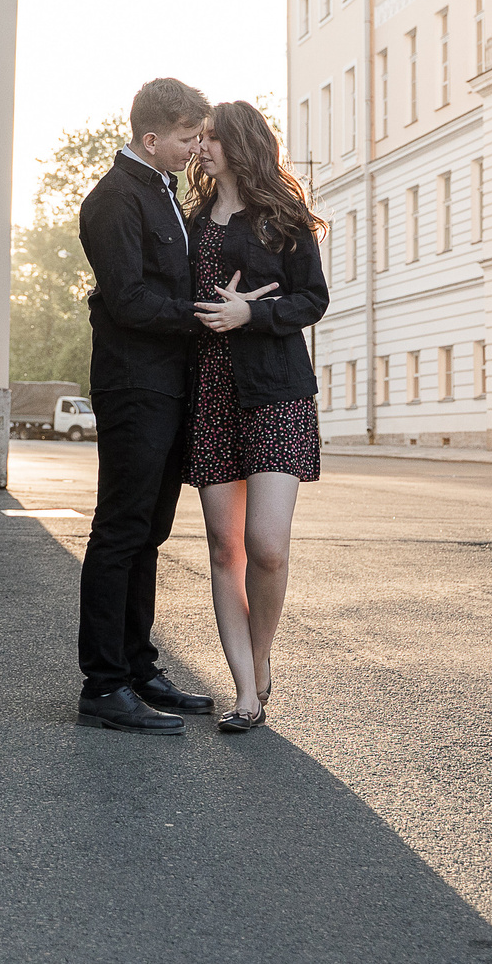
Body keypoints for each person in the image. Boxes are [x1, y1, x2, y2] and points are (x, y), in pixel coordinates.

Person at [74, 77, 259, 733]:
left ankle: (137, 665)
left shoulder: (161, 190)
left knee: (149, 531)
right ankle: (103, 684)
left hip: (168, 384)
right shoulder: (113, 199)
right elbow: (128, 301)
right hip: (133, 385)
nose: (195, 147)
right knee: (121, 529)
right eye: (186, 137)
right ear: (151, 138)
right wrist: (206, 316)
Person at [183, 100, 329, 733]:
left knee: (266, 548)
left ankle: (260, 658)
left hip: (276, 392)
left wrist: (252, 313)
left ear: (240, 144)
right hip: (212, 394)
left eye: (212, 137)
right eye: (199, 137)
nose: (202, 147)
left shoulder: (282, 216)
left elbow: (312, 299)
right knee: (225, 549)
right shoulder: (192, 223)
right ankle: (245, 690)